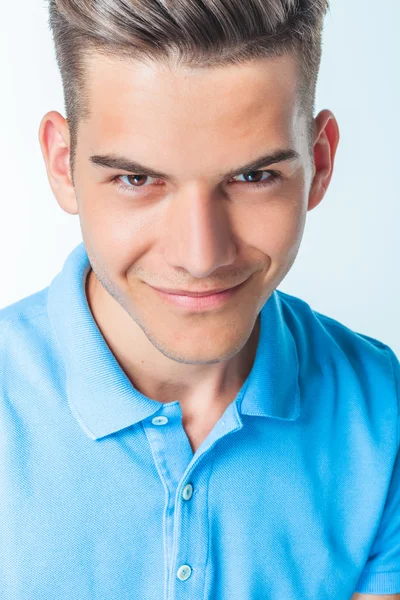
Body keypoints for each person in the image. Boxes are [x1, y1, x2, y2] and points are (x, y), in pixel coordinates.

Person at [0, 0, 398, 598]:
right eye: (137, 180)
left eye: (253, 177)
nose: (200, 255)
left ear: (318, 162)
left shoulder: (381, 411)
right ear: (62, 164)